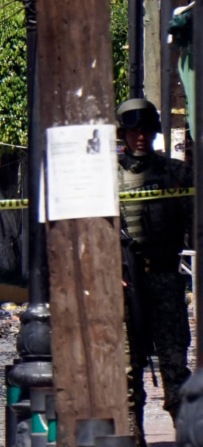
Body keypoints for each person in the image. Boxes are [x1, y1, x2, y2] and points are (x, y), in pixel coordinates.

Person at [117, 98, 193, 445]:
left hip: (165, 279)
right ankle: (134, 437)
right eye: (133, 131)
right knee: (129, 369)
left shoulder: (176, 174)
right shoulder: (109, 178)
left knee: (175, 365)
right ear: (124, 133)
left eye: (146, 130)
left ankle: (186, 435)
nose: (140, 137)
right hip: (127, 285)